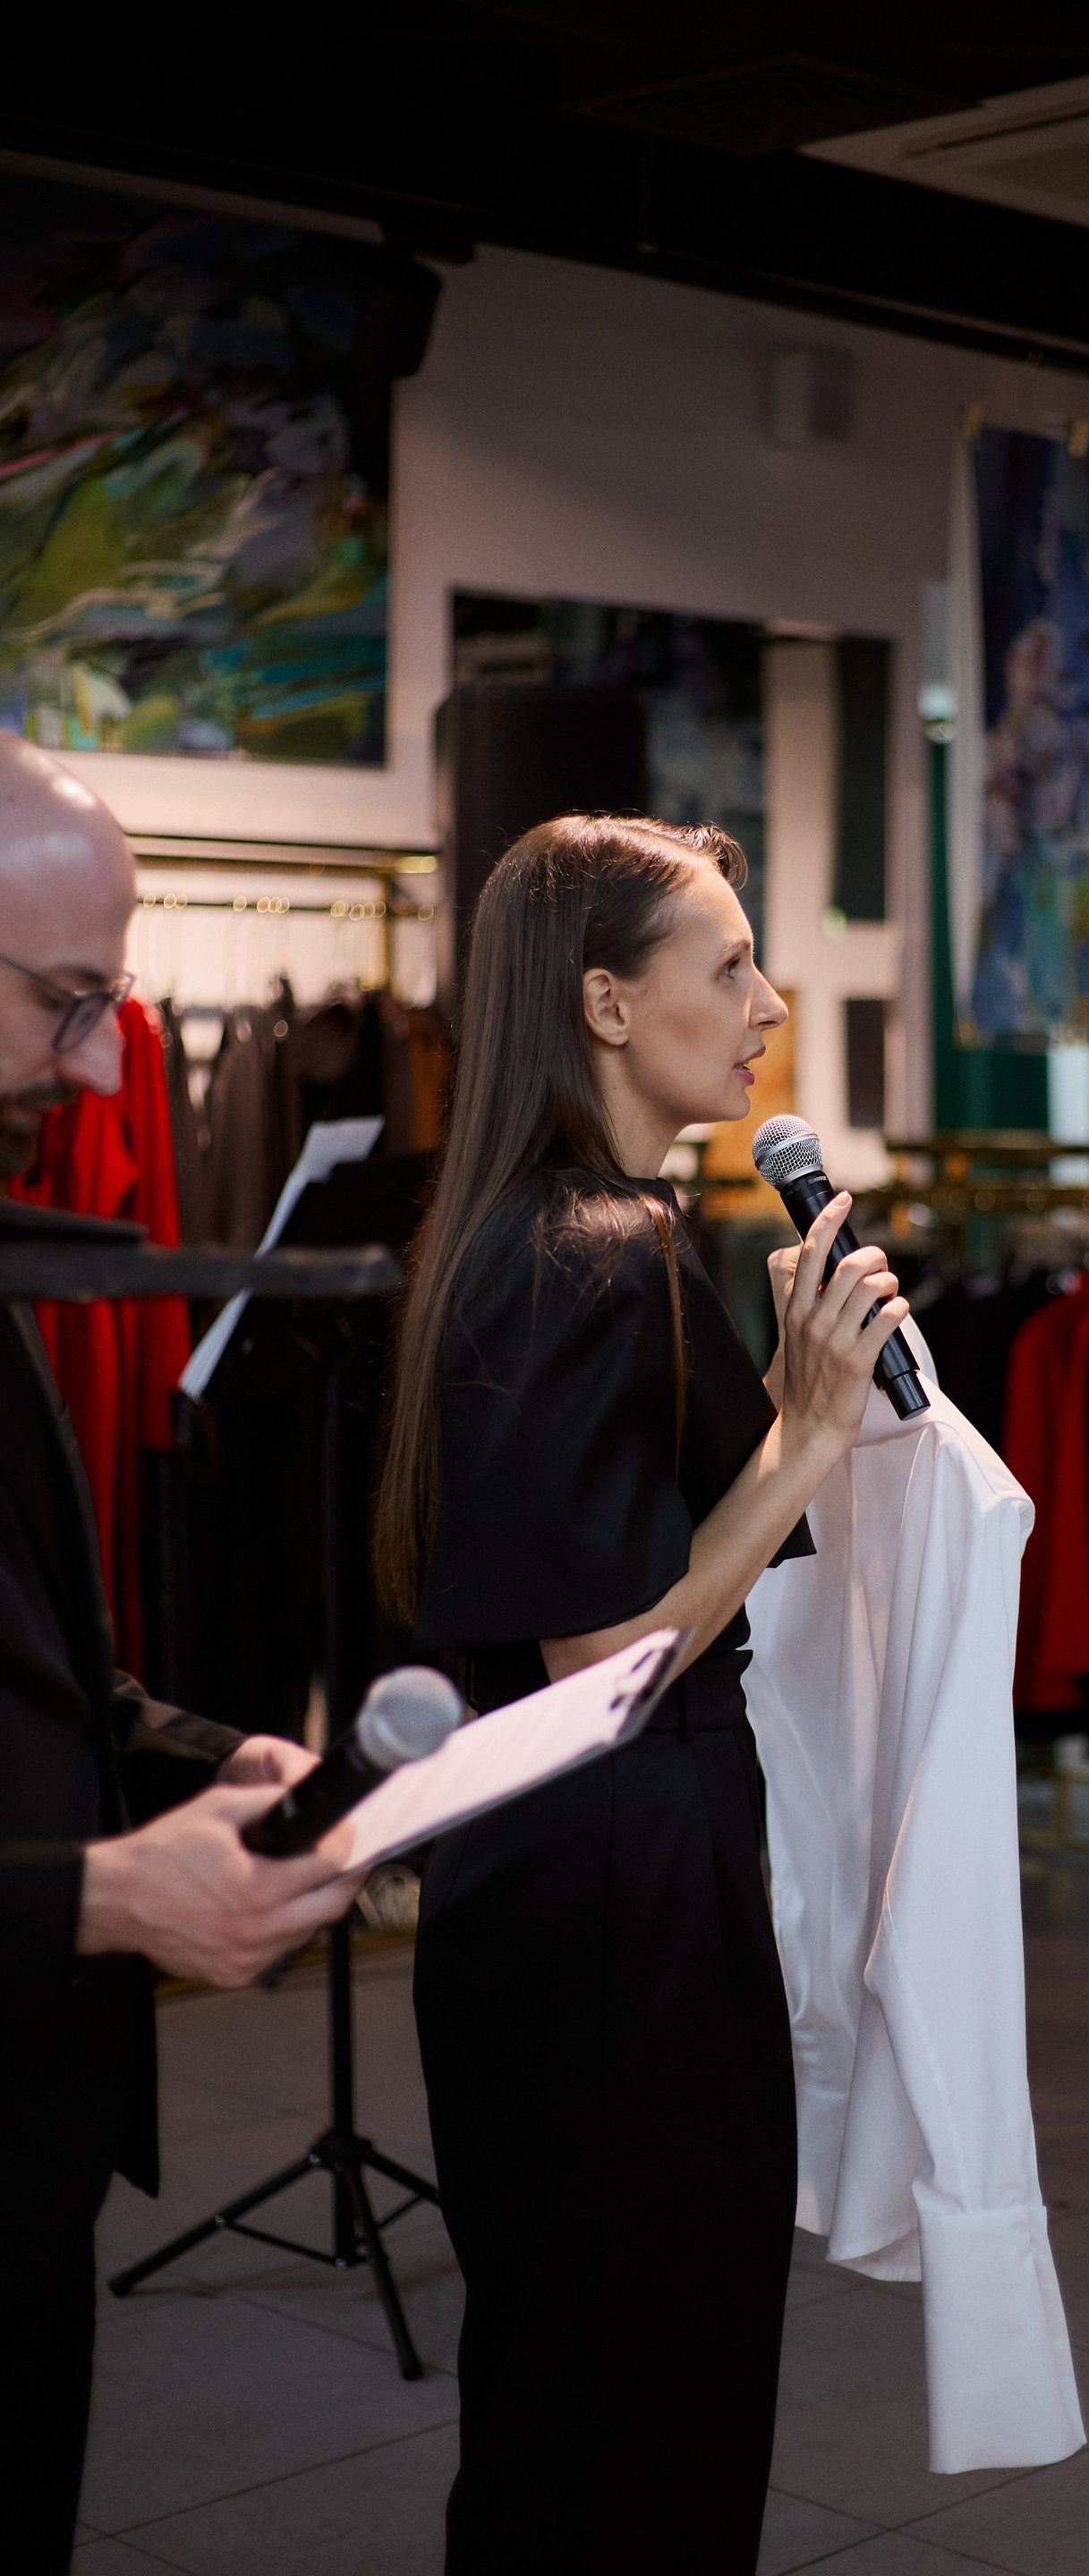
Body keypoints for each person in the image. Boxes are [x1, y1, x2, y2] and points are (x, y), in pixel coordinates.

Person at [374, 813, 908, 2574]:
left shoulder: (527, 1232)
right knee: (649, 2385)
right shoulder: (599, 1251)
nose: (768, 1003)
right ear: (606, 1003)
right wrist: (806, 1434)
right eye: (729, 966)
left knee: (569, 2385)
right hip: (616, 1881)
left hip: (550, 1872)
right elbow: (607, 1661)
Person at [0, 733, 360, 2574]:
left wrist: (217, 1761)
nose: (92, 1068)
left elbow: (40, 1665)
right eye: (65, 1004)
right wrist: (104, 1893)